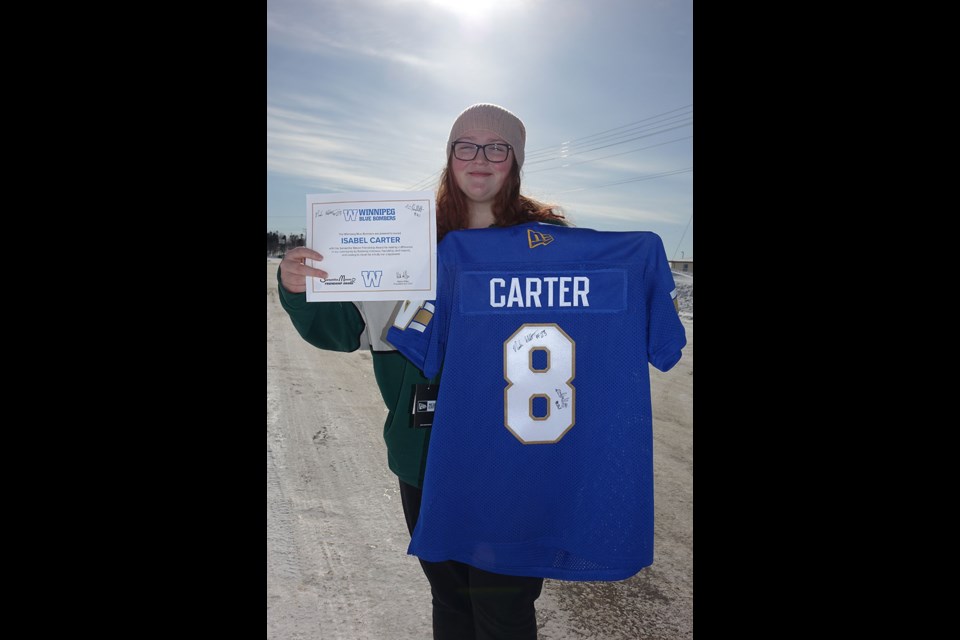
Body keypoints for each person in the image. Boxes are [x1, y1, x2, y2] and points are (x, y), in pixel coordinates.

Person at [277, 103, 568, 639]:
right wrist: (299, 288)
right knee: (451, 597)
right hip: (425, 452)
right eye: (466, 146)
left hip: (516, 458)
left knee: (503, 604)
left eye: (497, 147)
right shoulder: (403, 239)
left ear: (516, 161)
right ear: (450, 157)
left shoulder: (551, 245)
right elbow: (345, 328)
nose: (480, 159)